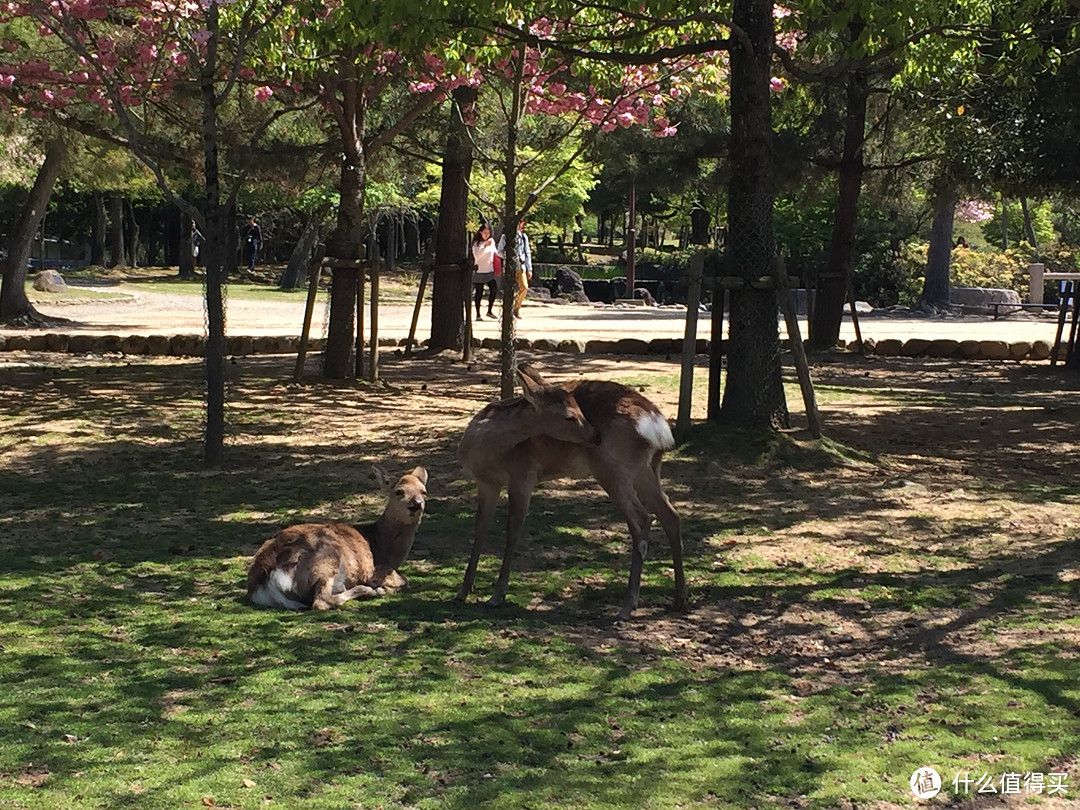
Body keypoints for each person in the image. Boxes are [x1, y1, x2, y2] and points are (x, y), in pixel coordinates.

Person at [498, 219, 532, 318]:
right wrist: (508, 256)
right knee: (509, 289)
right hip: (509, 266)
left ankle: (516, 308)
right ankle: (508, 310)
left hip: (521, 266)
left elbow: (527, 253)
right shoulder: (505, 236)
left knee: (524, 287)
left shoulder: (523, 237)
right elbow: (499, 251)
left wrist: (529, 268)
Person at [470, 223, 498, 320]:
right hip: (480, 270)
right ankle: (478, 314)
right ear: (480, 232)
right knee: (479, 292)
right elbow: (477, 256)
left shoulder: (492, 241)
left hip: (490, 270)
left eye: (488, 233)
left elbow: (495, 253)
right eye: (485, 232)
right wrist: (484, 246)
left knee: (494, 289)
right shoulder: (476, 244)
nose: (487, 235)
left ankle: (489, 311)